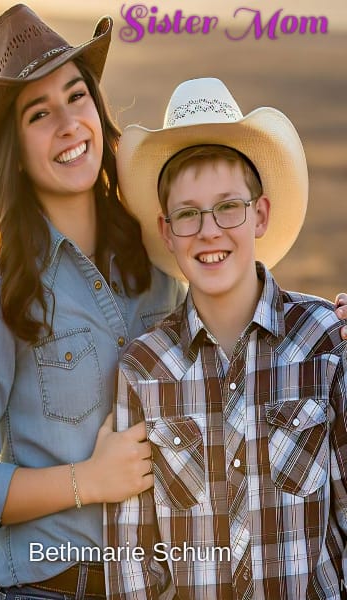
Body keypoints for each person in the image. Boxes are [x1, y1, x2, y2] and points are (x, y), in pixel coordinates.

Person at [0, 5, 186, 599]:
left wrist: (324, 327)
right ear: (13, 148)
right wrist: (88, 480)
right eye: (39, 113)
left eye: (77, 96)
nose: (69, 123)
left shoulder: (158, 256)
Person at [106, 78, 347, 599]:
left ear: (260, 215)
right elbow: (133, 560)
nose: (209, 230)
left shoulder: (326, 343)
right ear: (166, 231)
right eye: (188, 214)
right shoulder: (144, 370)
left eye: (228, 207)